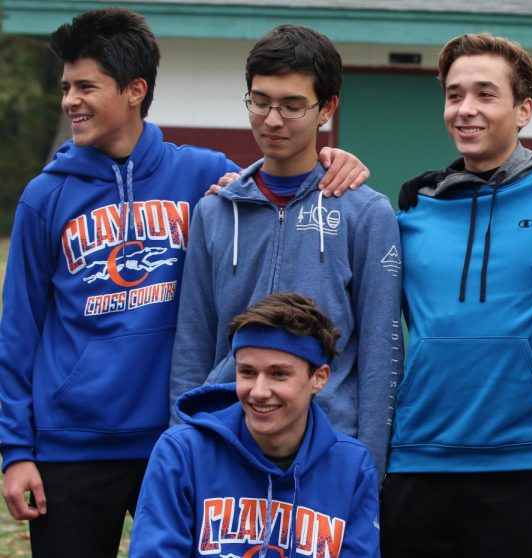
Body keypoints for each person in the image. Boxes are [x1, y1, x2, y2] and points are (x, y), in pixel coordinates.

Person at [0, 8, 366, 557]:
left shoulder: (201, 174)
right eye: (65, 87)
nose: (69, 100)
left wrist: (339, 161)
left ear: (133, 90)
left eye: (85, 86)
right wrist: (15, 450)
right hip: (72, 446)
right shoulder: (45, 198)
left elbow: (279, 178)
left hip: (183, 436)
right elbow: (18, 330)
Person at [378, 32, 532, 558]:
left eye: (486, 94)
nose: (465, 109)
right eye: (454, 94)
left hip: (526, 465)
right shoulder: (415, 210)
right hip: (416, 459)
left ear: (524, 109)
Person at [168, 24, 402, 478]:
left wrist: (370, 468)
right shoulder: (215, 212)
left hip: (331, 448)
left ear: (327, 108)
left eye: (293, 105)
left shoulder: (366, 213)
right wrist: (184, 442)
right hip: (225, 441)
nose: (272, 120)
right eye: (260, 101)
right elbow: (192, 344)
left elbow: (381, 350)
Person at [129, 292, 380, 557]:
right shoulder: (183, 452)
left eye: (278, 374)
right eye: (247, 372)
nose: (259, 391)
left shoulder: (353, 466)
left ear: (319, 378)